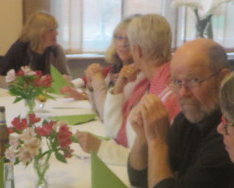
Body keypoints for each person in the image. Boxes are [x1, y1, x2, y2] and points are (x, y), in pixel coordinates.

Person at [127, 39, 234, 188]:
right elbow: (140, 178)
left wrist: (157, 141)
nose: (183, 92)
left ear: (223, 79)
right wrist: (143, 137)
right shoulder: (188, 119)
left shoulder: (230, 133)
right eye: (176, 82)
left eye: (194, 80)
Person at [76, 13, 179, 164]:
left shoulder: (166, 91)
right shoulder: (151, 81)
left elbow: (148, 160)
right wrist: (118, 88)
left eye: (129, 44)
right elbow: (116, 132)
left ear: (137, 50)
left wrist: (101, 148)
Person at [61, 16, 136, 118]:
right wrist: (91, 85)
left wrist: (97, 81)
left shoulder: (134, 74)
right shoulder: (115, 68)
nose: (123, 44)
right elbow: (98, 104)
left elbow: (107, 113)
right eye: (120, 38)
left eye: (129, 39)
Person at [0, 10, 70, 86]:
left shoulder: (56, 50)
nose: (56, 33)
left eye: (55, 29)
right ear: (38, 32)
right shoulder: (20, 48)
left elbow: (67, 79)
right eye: (51, 30)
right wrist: (24, 84)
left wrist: (64, 80)